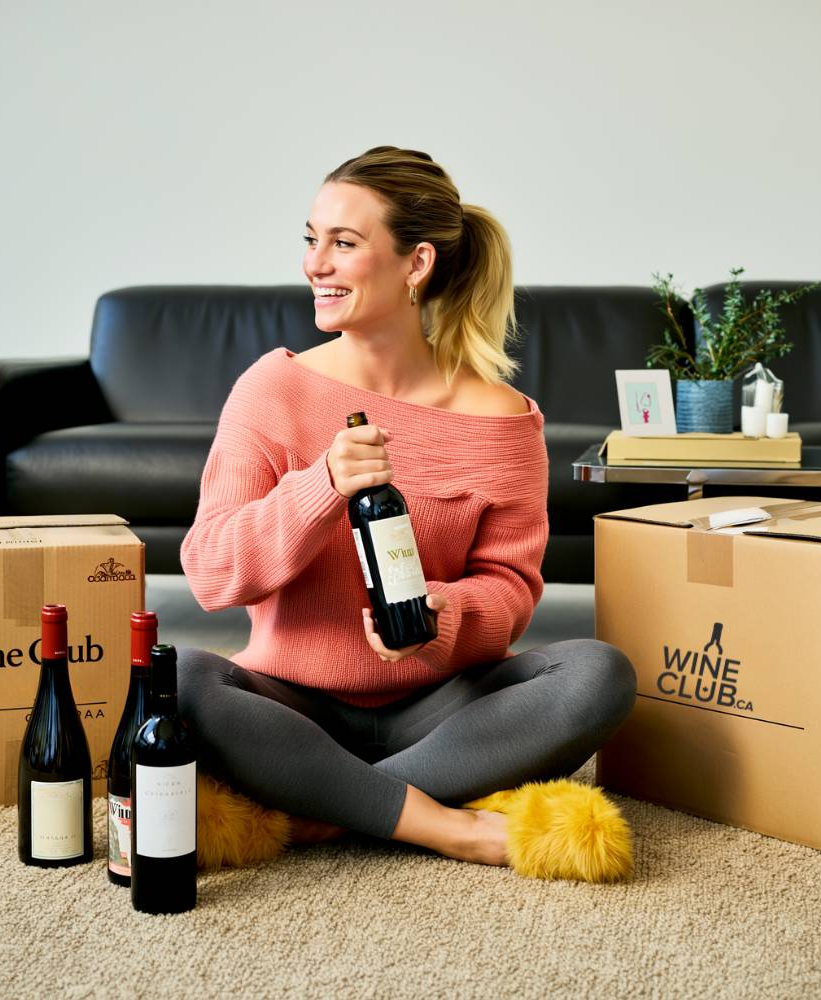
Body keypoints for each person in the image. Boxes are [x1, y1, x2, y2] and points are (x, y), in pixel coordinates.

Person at [178, 146, 637, 880]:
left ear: (416, 263)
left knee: (599, 673)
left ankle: (327, 798)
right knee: (181, 681)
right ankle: (440, 826)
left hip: (440, 707)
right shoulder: (273, 390)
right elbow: (209, 573)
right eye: (310, 239)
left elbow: (510, 592)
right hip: (292, 703)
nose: (314, 265)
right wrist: (320, 486)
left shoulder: (503, 419)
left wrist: (440, 617)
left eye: (344, 244)